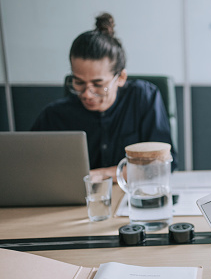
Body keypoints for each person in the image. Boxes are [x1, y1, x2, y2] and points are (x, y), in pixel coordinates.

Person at [31, 13, 177, 180]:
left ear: (121, 78)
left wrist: (100, 174)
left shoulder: (144, 98)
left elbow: (165, 163)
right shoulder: (54, 116)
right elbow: (29, 166)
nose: (87, 94)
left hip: (134, 197)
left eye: (98, 85)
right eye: (78, 82)